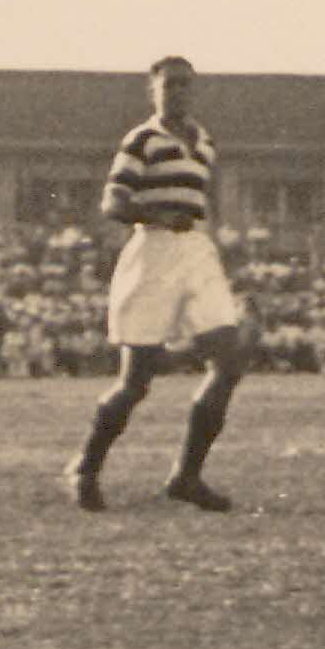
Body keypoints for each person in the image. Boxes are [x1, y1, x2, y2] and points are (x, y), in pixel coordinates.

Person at [66, 56, 245, 513]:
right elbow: (113, 201)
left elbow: (199, 200)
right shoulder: (142, 139)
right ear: (153, 90)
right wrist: (156, 214)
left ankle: (186, 476)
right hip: (153, 252)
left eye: (184, 85)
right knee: (135, 381)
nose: (177, 93)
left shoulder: (204, 141)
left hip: (196, 252)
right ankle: (85, 468)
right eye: (168, 86)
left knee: (229, 361)